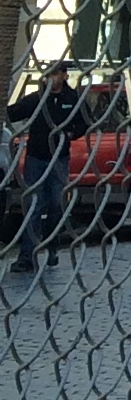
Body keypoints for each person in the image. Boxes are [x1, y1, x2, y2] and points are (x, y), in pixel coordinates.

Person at [6, 62, 90, 276]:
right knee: (33, 206)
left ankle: (52, 244)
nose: (51, 78)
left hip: (59, 158)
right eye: (48, 75)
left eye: (55, 74)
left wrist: (71, 134)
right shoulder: (36, 98)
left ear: (63, 75)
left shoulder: (73, 99)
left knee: (55, 204)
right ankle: (27, 257)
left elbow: (86, 121)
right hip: (36, 157)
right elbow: (13, 113)